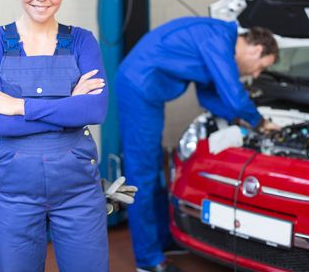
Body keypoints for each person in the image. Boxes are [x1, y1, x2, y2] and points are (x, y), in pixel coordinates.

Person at [0, 0, 109, 272]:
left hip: (79, 192)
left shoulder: (82, 42)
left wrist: (18, 106)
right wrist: (68, 106)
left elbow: (95, 109)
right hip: (16, 194)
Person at [115, 17, 280, 272]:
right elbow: (233, 94)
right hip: (139, 87)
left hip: (147, 90)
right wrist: (259, 123)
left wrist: (238, 120)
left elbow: (208, 94)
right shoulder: (218, 39)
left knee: (154, 169)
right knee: (142, 174)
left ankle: (161, 239)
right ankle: (148, 262)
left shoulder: (217, 41)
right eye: (260, 67)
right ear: (256, 50)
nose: (256, 74)